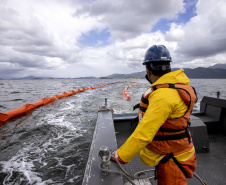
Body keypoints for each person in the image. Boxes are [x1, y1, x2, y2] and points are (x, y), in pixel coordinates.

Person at [112, 45, 197, 185]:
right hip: (179, 150)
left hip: (171, 158)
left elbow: (143, 134)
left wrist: (118, 156)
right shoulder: (178, 86)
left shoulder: (163, 95)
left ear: (148, 70)